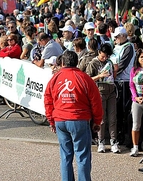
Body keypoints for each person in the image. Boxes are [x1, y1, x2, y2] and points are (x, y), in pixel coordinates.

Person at [44, 51, 103, 181]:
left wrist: (51, 120)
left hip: (60, 119)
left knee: (65, 156)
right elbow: (96, 101)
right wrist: (97, 121)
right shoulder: (84, 78)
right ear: (77, 62)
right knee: (82, 156)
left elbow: (48, 100)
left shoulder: (55, 78)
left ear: (63, 63)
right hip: (79, 119)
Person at [85, 43, 119, 153]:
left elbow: (112, 77)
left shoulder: (109, 62)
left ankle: (114, 141)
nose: (105, 58)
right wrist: (99, 76)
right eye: (103, 56)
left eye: (107, 56)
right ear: (99, 52)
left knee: (112, 118)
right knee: (102, 119)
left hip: (111, 91)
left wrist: (114, 72)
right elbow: (87, 79)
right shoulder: (93, 63)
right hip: (100, 92)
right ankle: (101, 141)